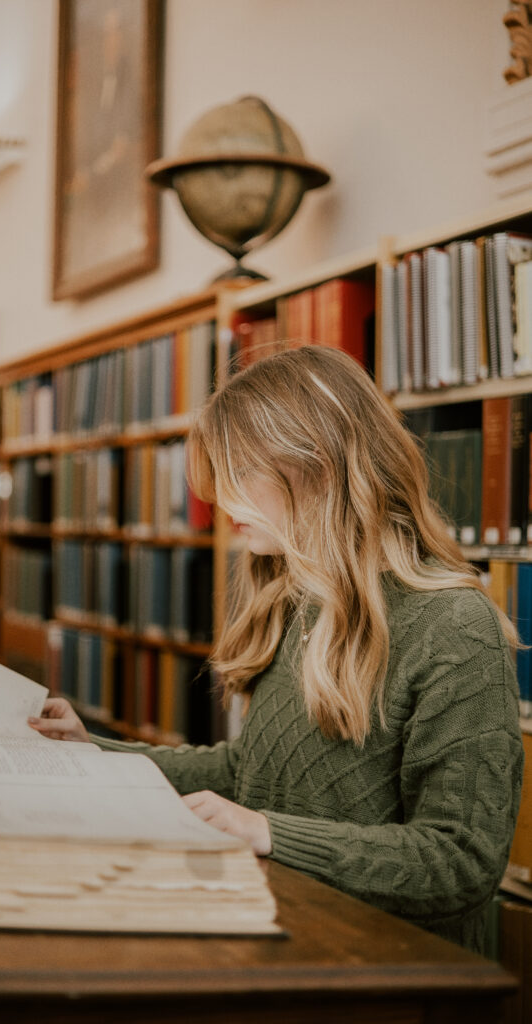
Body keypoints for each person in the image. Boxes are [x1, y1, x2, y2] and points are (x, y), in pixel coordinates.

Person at [29, 345, 524, 953]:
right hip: (285, 937)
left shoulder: (454, 628)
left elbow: (460, 861)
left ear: (314, 466)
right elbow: (248, 774)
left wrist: (267, 833)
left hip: (397, 974)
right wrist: (94, 753)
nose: (217, 501)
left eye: (240, 475)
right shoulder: (299, 601)